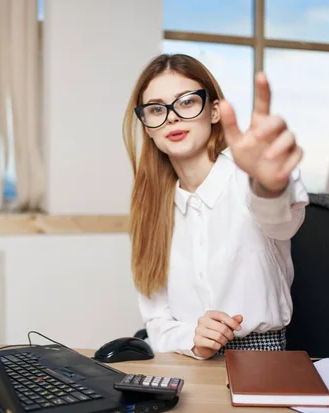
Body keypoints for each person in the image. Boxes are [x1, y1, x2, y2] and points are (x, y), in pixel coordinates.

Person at [122, 53, 309, 360]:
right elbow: (156, 322)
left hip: (261, 360)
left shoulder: (247, 178)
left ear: (214, 111)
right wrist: (193, 339)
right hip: (185, 361)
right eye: (156, 109)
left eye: (186, 102)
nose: (171, 117)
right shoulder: (150, 210)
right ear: (147, 128)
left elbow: (282, 221)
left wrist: (269, 185)